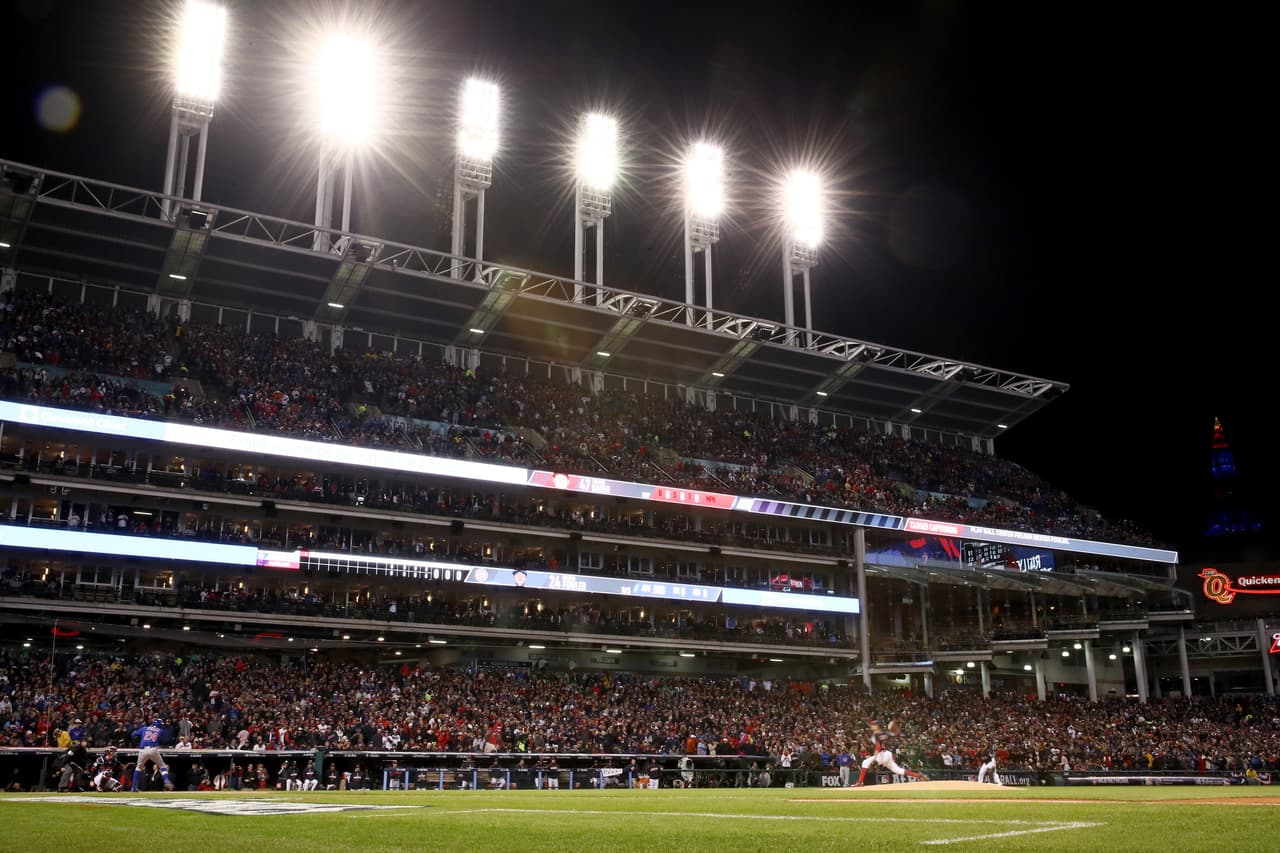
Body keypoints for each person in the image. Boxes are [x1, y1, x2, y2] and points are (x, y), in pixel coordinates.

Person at [854, 720, 927, 787]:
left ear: (877, 726)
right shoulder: (885, 733)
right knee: (898, 770)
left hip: (881, 755)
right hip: (888, 754)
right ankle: (919, 776)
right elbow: (896, 733)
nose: (872, 726)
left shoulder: (876, 735)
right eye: (872, 724)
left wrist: (875, 758)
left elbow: (878, 747)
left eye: (874, 725)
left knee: (865, 762)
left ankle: (860, 782)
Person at [130, 718, 174, 792]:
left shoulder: (144, 728)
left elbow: (133, 734)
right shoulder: (160, 731)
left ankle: (133, 787)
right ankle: (166, 780)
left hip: (143, 750)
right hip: (153, 749)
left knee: (138, 768)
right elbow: (165, 740)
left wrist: (137, 731)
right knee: (162, 766)